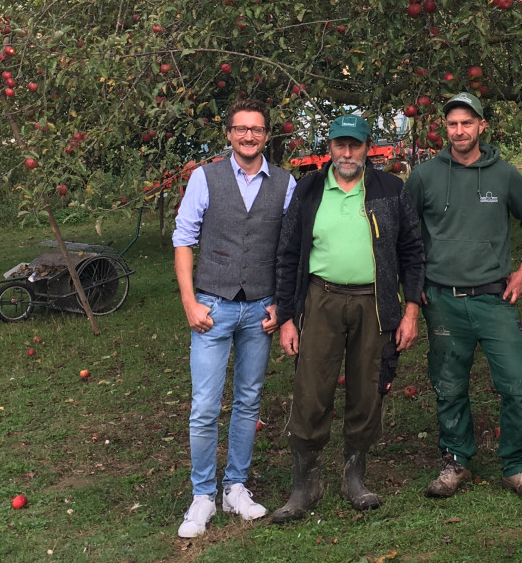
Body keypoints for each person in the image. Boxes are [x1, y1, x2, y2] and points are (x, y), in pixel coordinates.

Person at [272, 114, 425, 522]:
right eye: (339, 144)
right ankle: (305, 483)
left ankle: (354, 476)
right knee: (311, 390)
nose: (346, 152)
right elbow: (288, 254)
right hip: (321, 299)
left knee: (367, 386)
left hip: (373, 303)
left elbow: (413, 251)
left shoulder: (389, 190)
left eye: (354, 145)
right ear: (330, 148)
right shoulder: (308, 190)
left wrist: (411, 309)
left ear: (367, 147)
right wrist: (287, 317)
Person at [406, 92, 522, 499]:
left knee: (517, 383)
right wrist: (413, 286)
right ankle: (456, 461)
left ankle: (517, 466)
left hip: (494, 298)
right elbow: (407, 235)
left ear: (482, 126)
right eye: (452, 124)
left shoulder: (504, 174)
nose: (460, 130)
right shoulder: (424, 176)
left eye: (467, 122)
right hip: (443, 300)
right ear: (444, 129)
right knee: (449, 386)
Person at [171, 98, 296, 535]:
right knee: (204, 406)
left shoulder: (285, 182)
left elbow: (289, 250)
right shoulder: (204, 179)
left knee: (248, 401)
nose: (248, 136)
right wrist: (189, 300)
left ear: (267, 134)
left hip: (260, 308)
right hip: (214, 305)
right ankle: (203, 494)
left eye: (256, 129)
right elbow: (184, 239)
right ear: (229, 134)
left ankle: (236, 487)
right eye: (240, 129)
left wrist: (282, 304)